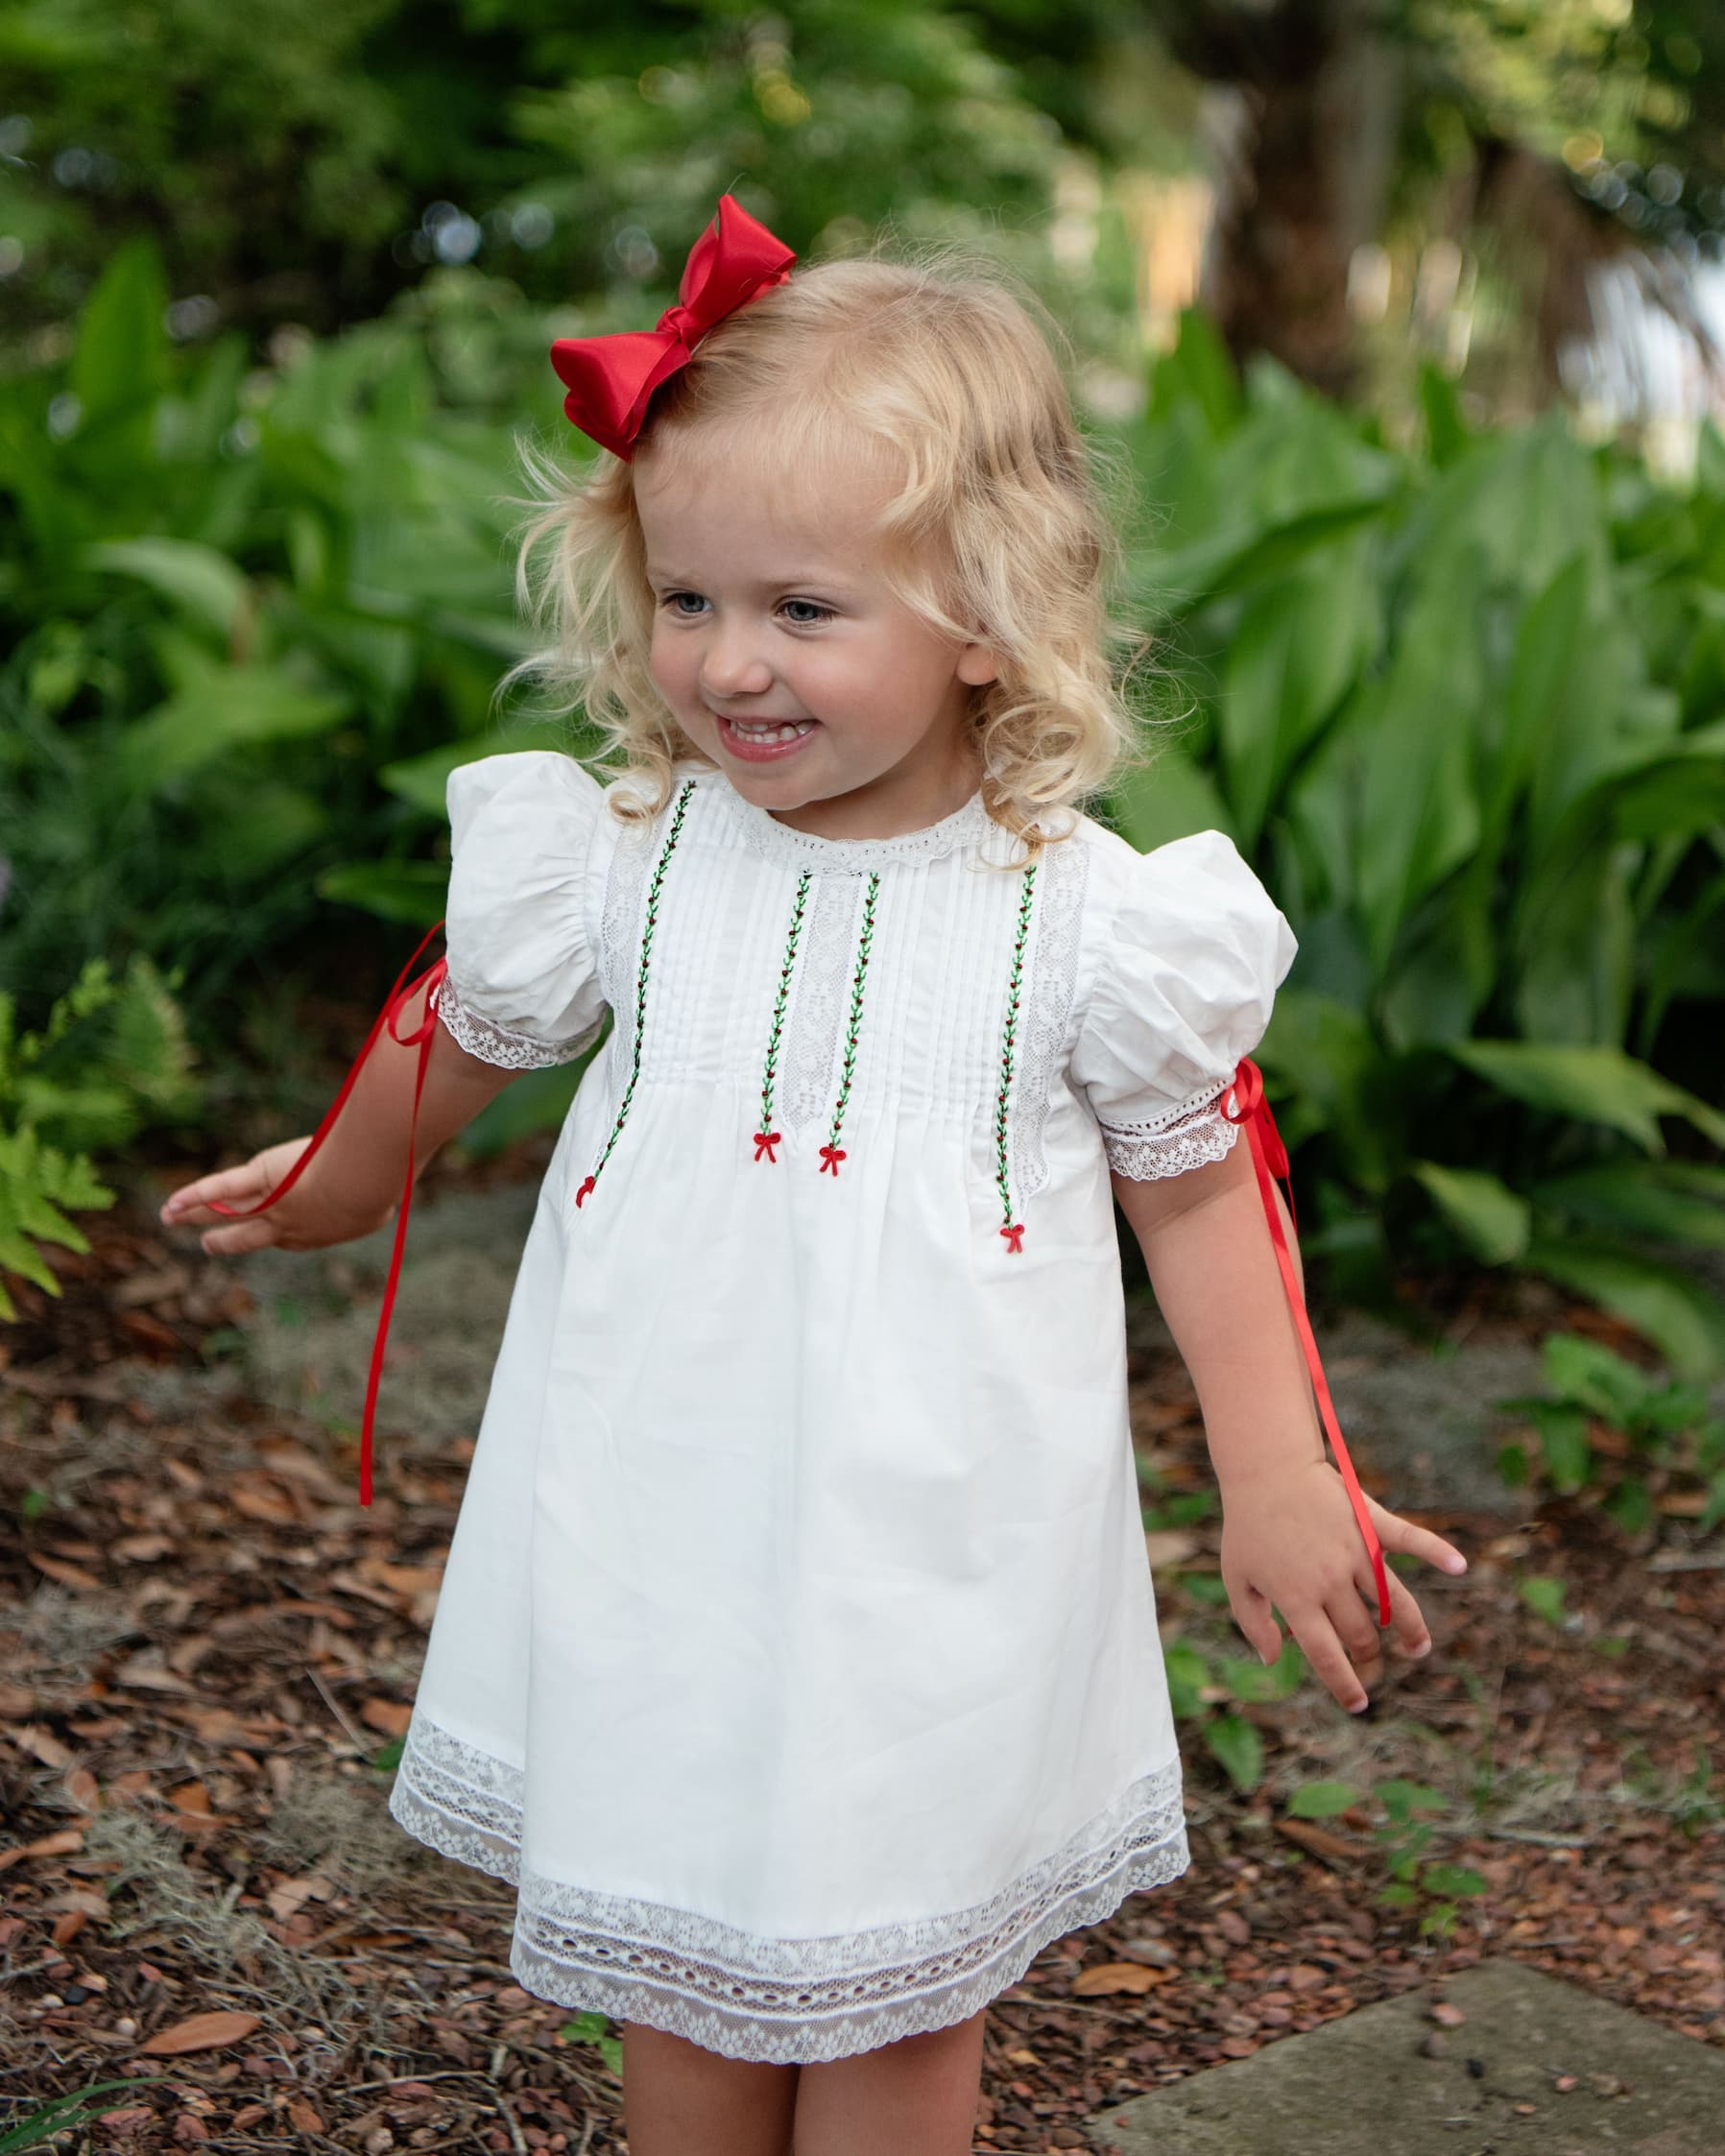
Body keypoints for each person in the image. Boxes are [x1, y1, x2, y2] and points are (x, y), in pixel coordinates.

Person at [158, 195, 1469, 2156]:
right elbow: (467, 1027)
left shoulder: (1082, 922)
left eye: (801, 610)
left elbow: (1197, 1184)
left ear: (981, 616)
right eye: (687, 601)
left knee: (888, 1984)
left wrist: (1274, 1468)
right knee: (679, 1945)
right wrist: (351, 1177)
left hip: (931, 1531)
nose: (729, 666)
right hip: (660, 1493)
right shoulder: (628, 852)